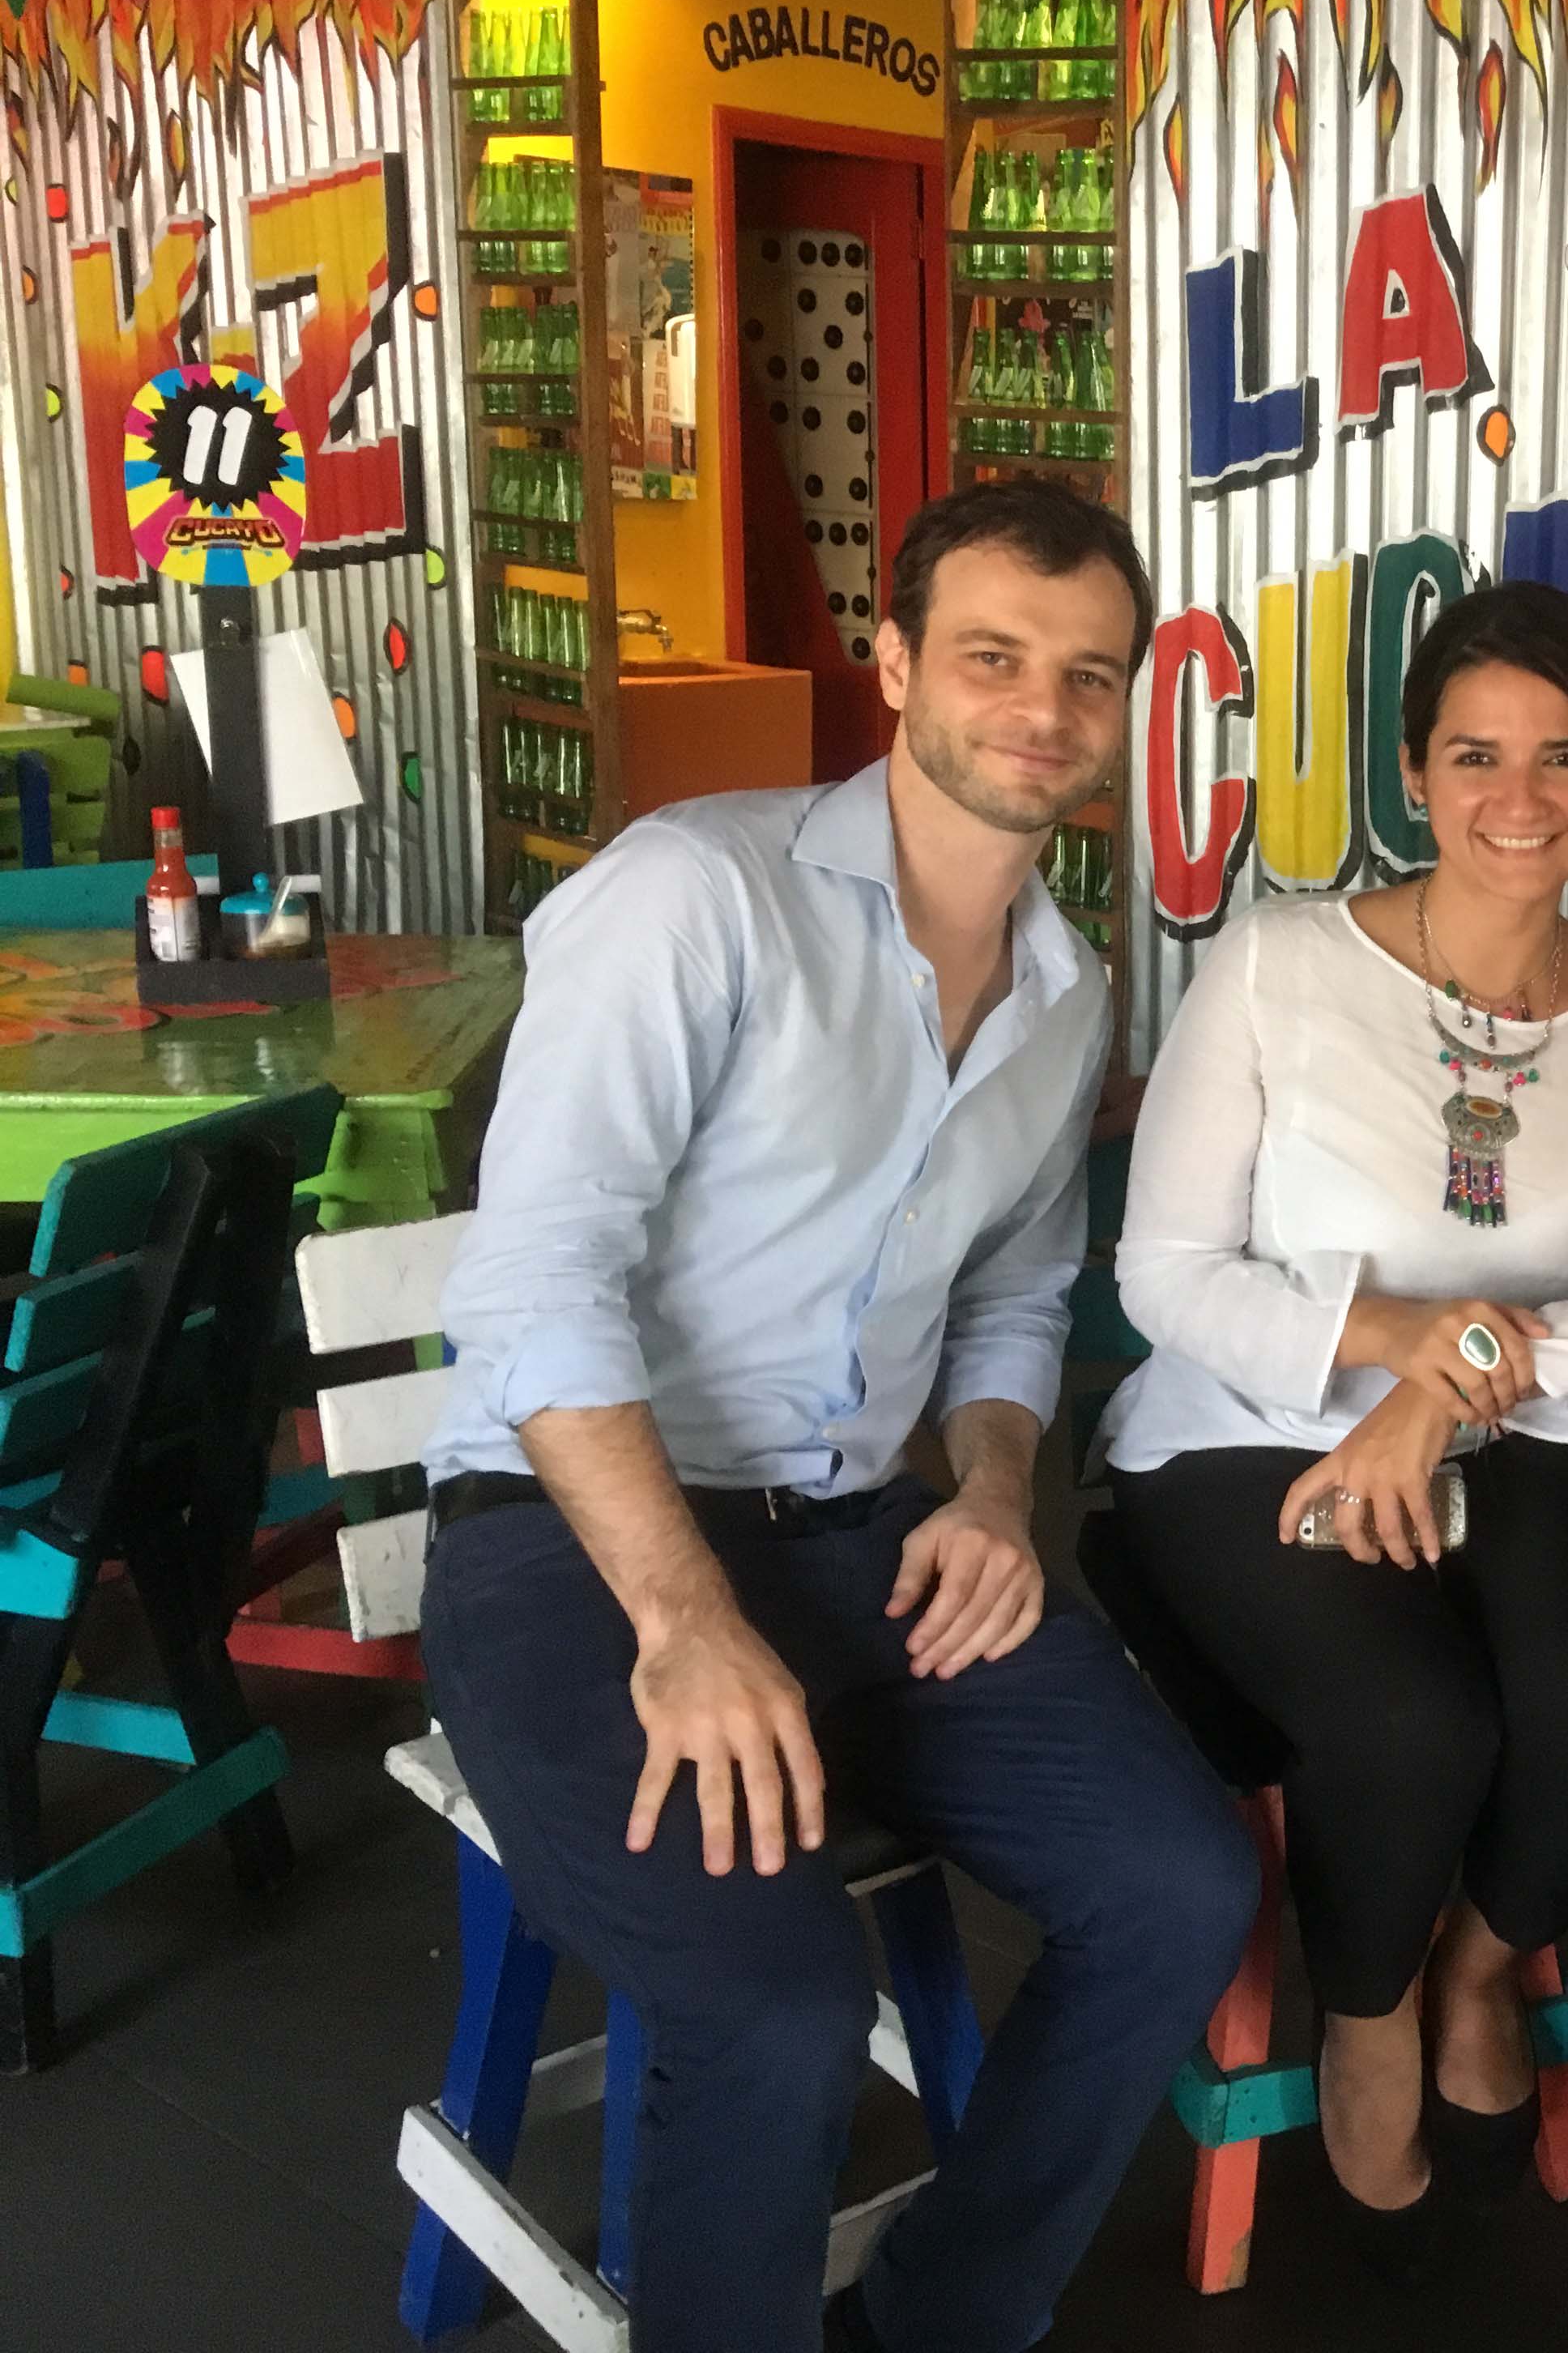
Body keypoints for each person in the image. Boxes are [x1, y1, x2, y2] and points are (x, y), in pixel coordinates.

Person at [420, 482, 1258, 2353]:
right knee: (778, 2001)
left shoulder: (1066, 991)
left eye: (1088, 673)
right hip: (577, 1551)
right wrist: (686, 1619)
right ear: (892, 664)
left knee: (1181, 1882)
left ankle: (938, 2320)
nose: (1040, 707)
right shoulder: (690, 895)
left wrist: (989, 1489)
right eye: (991, 656)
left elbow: (1023, 1298)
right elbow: (536, 1283)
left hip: (869, 1542)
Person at [1093, 581, 1568, 2271]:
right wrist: (1405, 1341)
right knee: (1413, 1725)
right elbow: (1166, 1273)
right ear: (1415, 774)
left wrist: (1458, 1381)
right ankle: (1376, 2008)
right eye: (1475, 754)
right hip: (1243, 1428)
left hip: (1512, 1438)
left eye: (1561, 757)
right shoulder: (1277, 967)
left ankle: (1484, 1955)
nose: (1517, 797)